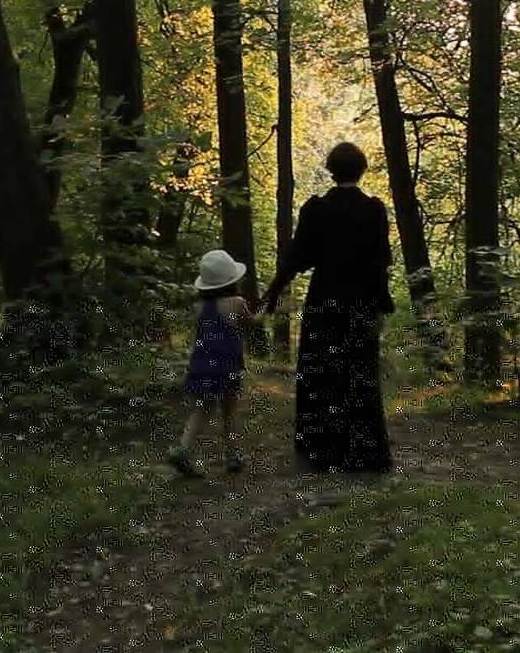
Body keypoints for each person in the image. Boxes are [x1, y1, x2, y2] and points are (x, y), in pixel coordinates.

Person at [262, 143, 394, 473]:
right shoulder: (374, 210)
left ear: (331, 170)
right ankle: (363, 451)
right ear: (362, 170)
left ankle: (321, 449)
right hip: (360, 303)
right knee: (359, 373)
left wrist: (273, 292)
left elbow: (296, 258)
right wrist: (382, 305)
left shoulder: (316, 209)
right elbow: (379, 263)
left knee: (321, 373)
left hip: (324, 301)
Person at [168, 249, 253, 477]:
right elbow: (249, 322)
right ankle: (233, 456)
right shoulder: (236, 303)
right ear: (231, 280)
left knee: (202, 408)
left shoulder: (199, 307)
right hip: (227, 365)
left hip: (202, 364)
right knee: (229, 411)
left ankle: (183, 449)